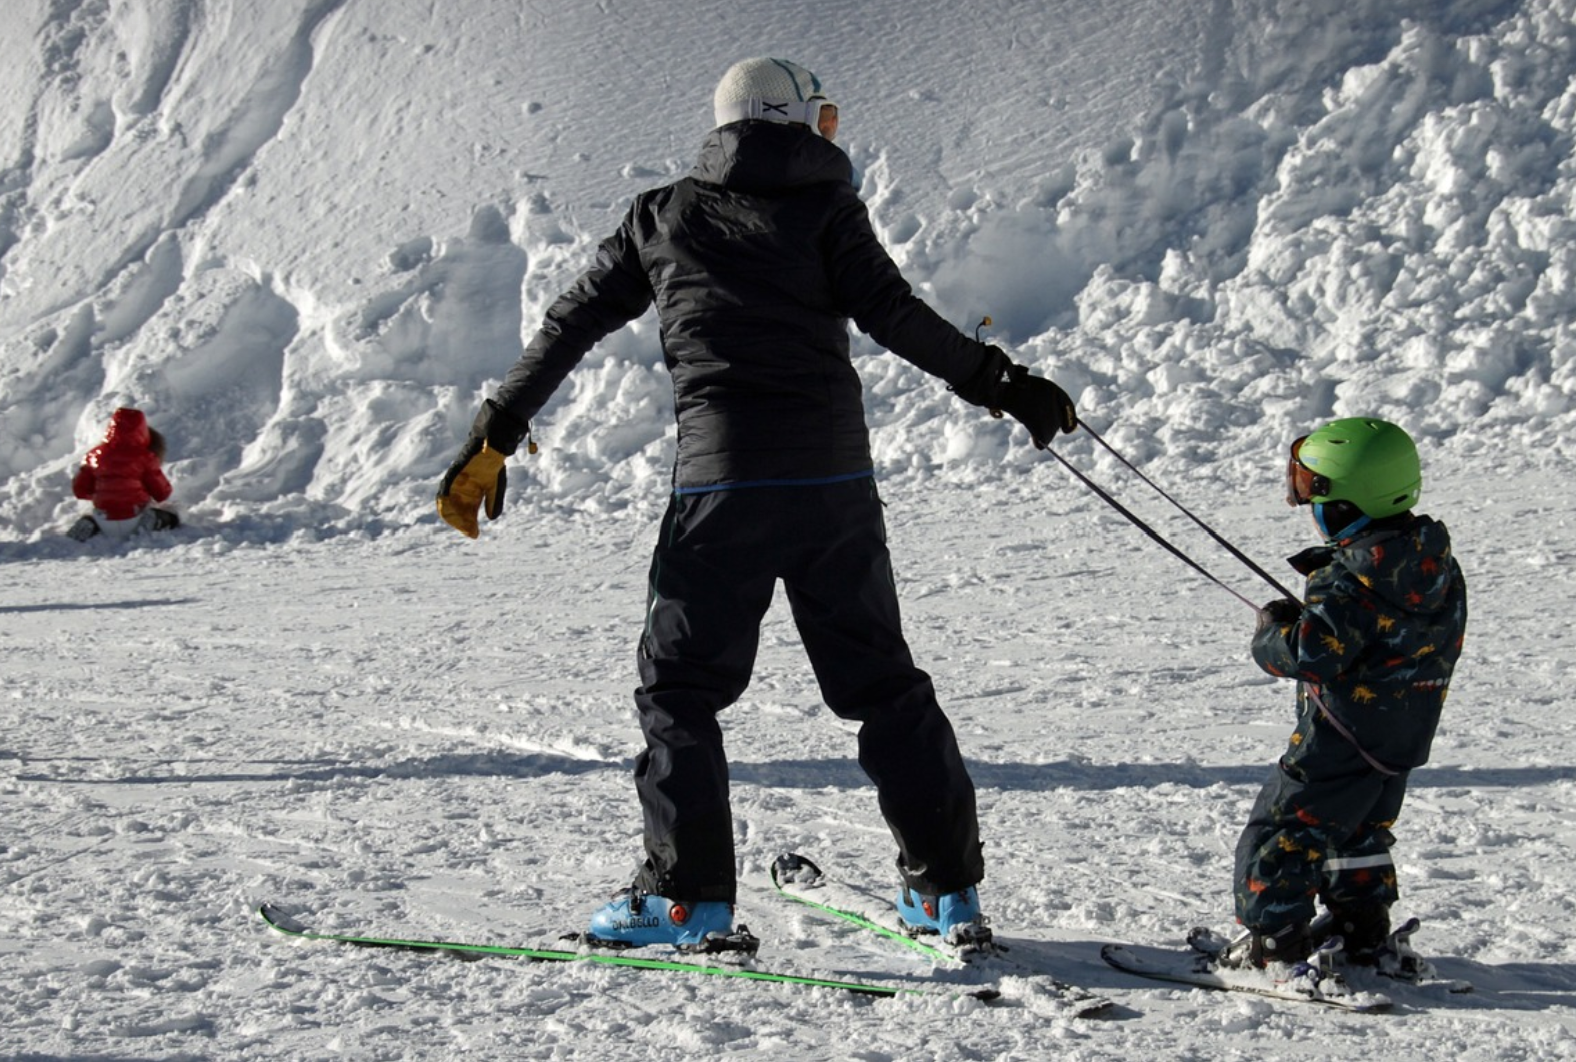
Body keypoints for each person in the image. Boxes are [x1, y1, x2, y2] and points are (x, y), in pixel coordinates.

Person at [435, 58, 1077, 953]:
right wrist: (1002, 384)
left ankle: (685, 901)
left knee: (681, 692)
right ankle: (946, 894)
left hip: (722, 489)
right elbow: (897, 315)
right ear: (791, 118)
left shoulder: (661, 216)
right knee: (883, 684)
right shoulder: (827, 211)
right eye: (821, 117)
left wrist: (500, 422)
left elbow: (571, 318)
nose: (828, 132)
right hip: (831, 489)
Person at [1220, 417, 1467, 974]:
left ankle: (1275, 944)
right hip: (1400, 736)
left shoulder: (1350, 579)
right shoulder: (1434, 565)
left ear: (1343, 501)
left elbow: (1312, 653)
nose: (1306, 501)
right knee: (1359, 829)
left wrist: (1274, 631)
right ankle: (1362, 929)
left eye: (1311, 489)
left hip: (1341, 735)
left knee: (1283, 832)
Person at [68, 408, 178, 542]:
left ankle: (90, 523)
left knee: (92, 515)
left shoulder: (94, 455)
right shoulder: (145, 457)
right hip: (136, 516)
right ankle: (151, 521)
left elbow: (80, 490)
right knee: (173, 512)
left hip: (104, 518)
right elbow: (162, 493)